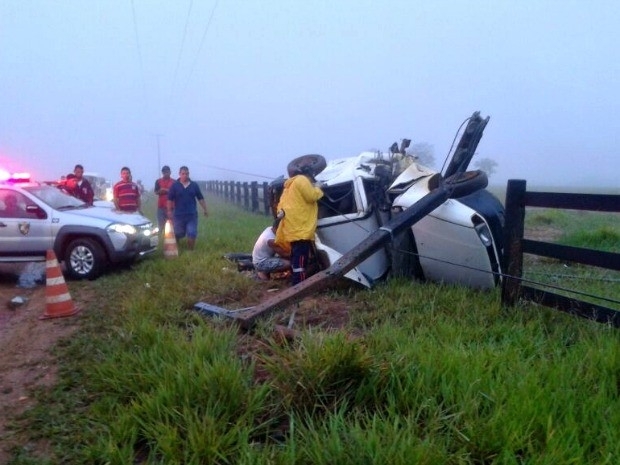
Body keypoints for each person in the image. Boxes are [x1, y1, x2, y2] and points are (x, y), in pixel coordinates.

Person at [274, 163, 324, 285]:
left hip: (292, 229)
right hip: (301, 228)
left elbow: (280, 208)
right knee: (301, 259)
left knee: (296, 257)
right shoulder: (301, 180)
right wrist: (318, 188)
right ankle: (299, 286)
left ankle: (295, 281)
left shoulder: (287, 187)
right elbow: (312, 196)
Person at [167, 166, 208, 250]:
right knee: (178, 233)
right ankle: (175, 248)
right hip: (178, 215)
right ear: (179, 174)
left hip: (191, 215)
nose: (185, 175)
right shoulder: (174, 186)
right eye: (183, 174)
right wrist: (169, 211)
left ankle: (190, 251)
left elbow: (200, 198)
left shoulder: (194, 185)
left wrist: (205, 209)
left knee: (192, 233)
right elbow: (169, 199)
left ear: (189, 174)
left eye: (187, 174)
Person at [154, 165, 174, 234]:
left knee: (172, 225)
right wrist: (161, 191)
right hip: (161, 207)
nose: (166, 173)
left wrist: (165, 190)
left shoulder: (174, 182)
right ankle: (159, 240)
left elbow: (176, 192)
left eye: (167, 172)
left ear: (170, 172)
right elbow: (156, 192)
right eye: (164, 172)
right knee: (160, 225)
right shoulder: (158, 181)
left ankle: (172, 241)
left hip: (172, 207)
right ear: (162, 173)